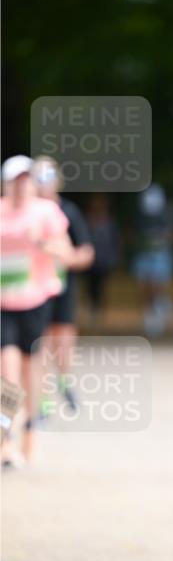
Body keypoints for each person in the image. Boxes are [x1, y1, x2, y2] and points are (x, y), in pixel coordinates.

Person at [0, 156, 72, 466]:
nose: (21, 187)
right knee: (8, 374)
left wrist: (40, 241)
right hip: (3, 305)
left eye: (26, 180)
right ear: (6, 184)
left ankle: (29, 431)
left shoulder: (46, 212)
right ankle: (5, 440)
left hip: (35, 302)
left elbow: (66, 252)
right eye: (15, 181)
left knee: (30, 374)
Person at [33, 156, 94, 415]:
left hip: (63, 287)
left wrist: (68, 258)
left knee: (63, 341)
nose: (43, 183)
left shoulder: (68, 211)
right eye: (38, 178)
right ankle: (43, 400)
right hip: (34, 289)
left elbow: (86, 252)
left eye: (48, 177)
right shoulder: (26, 212)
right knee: (40, 344)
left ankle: (65, 381)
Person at [130, 184, 173, 337]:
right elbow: (132, 233)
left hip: (160, 254)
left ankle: (159, 303)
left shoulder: (167, 213)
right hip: (144, 254)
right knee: (144, 285)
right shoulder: (140, 215)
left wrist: (162, 239)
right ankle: (150, 312)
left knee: (158, 283)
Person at [83, 193, 120, 328]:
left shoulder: (109, 221)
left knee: (101, 287)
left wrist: (114, 257)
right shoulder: (88, 220)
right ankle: (93, 309)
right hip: (91, 261)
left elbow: (114, 241)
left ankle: (98, 310)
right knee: (91, 287)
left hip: (104, 261)